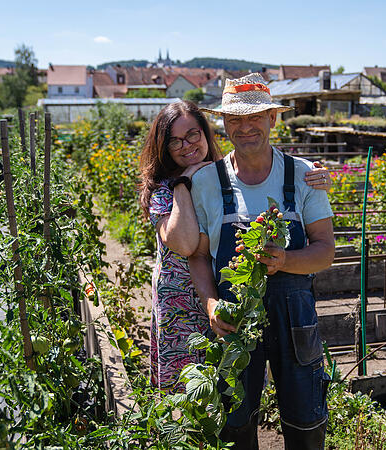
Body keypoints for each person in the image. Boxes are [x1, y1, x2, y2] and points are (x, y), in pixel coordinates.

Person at [137, 100, 332, 394]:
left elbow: (323, 245)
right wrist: (183, 182)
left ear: (206, 133)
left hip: (226, 300)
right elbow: (188, 246)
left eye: (192, 134)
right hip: (183, 304)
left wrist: (318, 177)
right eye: (174, 140)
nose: (186, 145)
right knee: (190, 393)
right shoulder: (165, 190)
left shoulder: (217, 177)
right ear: (163, 147)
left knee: (230, 390)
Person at [188, 74, 335, 449]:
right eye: (234, 118)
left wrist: (284, 259)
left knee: (305, 421)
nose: (244, 127)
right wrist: (209, 304)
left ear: (273, 119)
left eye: (254, 116)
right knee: (235, 422)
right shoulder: (208, 180)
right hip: (234, 319)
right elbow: (201, 257)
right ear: (223, 123)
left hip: (294, 316)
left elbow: (325, 251)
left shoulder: (303, 175)